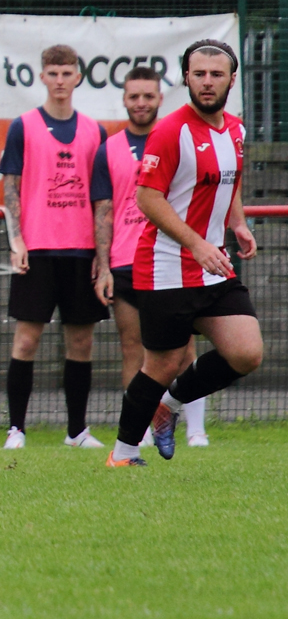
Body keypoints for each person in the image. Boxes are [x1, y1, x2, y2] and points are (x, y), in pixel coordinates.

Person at [107, 39, 261, 467]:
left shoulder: (236, 129)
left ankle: (167, 407)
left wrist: (238, 223)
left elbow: (229, 180)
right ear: (187, 78)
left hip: (212, 265)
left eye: (216, 74)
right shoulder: (171, 130)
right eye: (199, 74)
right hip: (166, 267)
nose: (207, 82)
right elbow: (146, 198)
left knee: (246, 353)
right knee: (163, 363)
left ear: (232, 79)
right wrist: (196, 243)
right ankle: (123, 455)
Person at [0, 44, 109, 450]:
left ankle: (76, 432)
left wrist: (102, 254)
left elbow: (102, 199)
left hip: (81, 252)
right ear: (42, 77)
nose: (60, 80)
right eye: (53, 73)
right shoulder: (23, 127)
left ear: (78, 77)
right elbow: (10, 187)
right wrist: (16, 239)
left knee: (81, 343)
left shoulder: (95, 131)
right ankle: (16, 429)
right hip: (38, 250)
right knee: (26, 340)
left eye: (67, 73)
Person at [92, 67, 207, 449]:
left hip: (172, 258)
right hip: (126, 261)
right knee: (133, 348)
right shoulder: (108, 148)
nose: (141, 103)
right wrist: (104, 266)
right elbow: (104, 210)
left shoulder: (177, 139)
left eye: (148, 96)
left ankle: (195, 430)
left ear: (160, 98)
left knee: (185, 349)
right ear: (124, 100)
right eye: (134, 96)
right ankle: (138, 429)